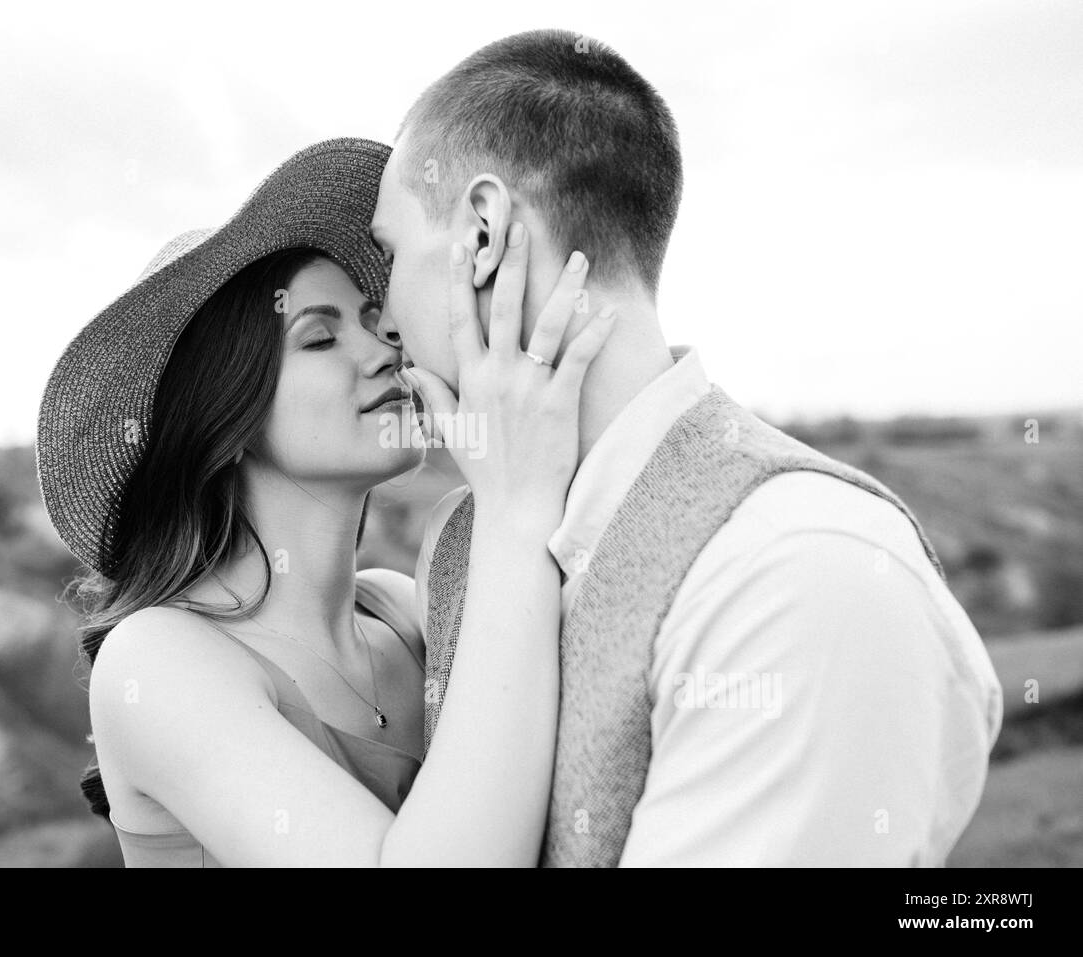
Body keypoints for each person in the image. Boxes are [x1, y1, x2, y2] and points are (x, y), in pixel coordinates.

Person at [372, 30, 1005, 866]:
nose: (381, 317)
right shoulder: (464, 548)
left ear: (482, 236)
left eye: (388, 254)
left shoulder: (801, 573)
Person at [36, 137, 615, 866]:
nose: (383, 351)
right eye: (319, 337)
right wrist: (513, 507)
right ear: (227, 415)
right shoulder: (155, 662)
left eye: (376, 320)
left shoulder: (409, 612)